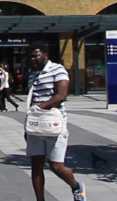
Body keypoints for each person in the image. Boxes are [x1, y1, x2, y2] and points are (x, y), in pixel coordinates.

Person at [24, 43, 85, 201]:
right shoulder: (33, 74)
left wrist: (40, 108)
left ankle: (76, 187)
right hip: (36, 124)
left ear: (45, 55)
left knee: (56, 166)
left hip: (55, 123)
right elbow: (33, 100)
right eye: (30, 56)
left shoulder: (58, 69)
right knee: (36, 165)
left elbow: (61, 95)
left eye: (35, 55)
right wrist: (28, 126)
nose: (32, 59)